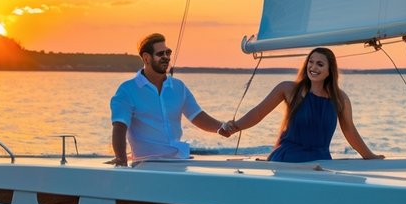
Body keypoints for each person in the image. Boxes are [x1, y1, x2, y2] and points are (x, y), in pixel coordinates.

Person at [220, 47, 384, 162]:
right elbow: (258, 113)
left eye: (320, 64)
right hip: (288, 159)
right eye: (310, 62)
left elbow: (349, 130)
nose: (313, 67)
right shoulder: (288, 88)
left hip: (321, 162)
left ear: (329, 71)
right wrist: (234, 127)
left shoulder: (340, 99)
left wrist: (370, 156)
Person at [109, 32, 230, 166]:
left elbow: (197, 116)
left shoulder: (178, 87)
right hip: (146, 164)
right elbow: (120, 126)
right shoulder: (127, 90)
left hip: (179, 163)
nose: (166, 57)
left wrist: (221, 127)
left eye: (168, 53)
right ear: (146, 58)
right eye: (161, 54)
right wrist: (121, 161)